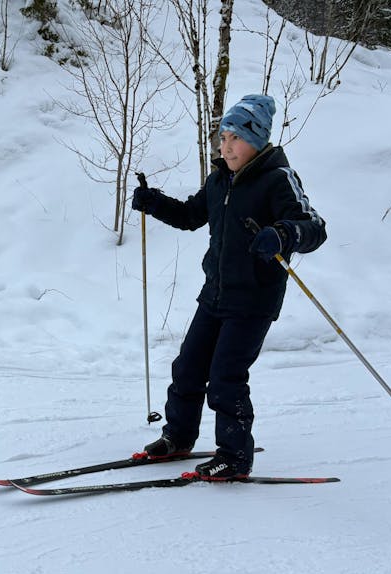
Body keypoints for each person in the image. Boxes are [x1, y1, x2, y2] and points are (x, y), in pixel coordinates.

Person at [130, 94, 327, 480]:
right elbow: (190, 215)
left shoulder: (278, 179)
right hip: (215, 293)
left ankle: (235, 456)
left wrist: (285, 233)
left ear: (257, 140)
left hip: (254, 299)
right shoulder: (220, 179)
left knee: (225, 377)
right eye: (224, 137)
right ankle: (179, 437)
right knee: (187, 368)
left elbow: (315, 227)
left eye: (236, 138)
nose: (227, 145)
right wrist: (154, 203)